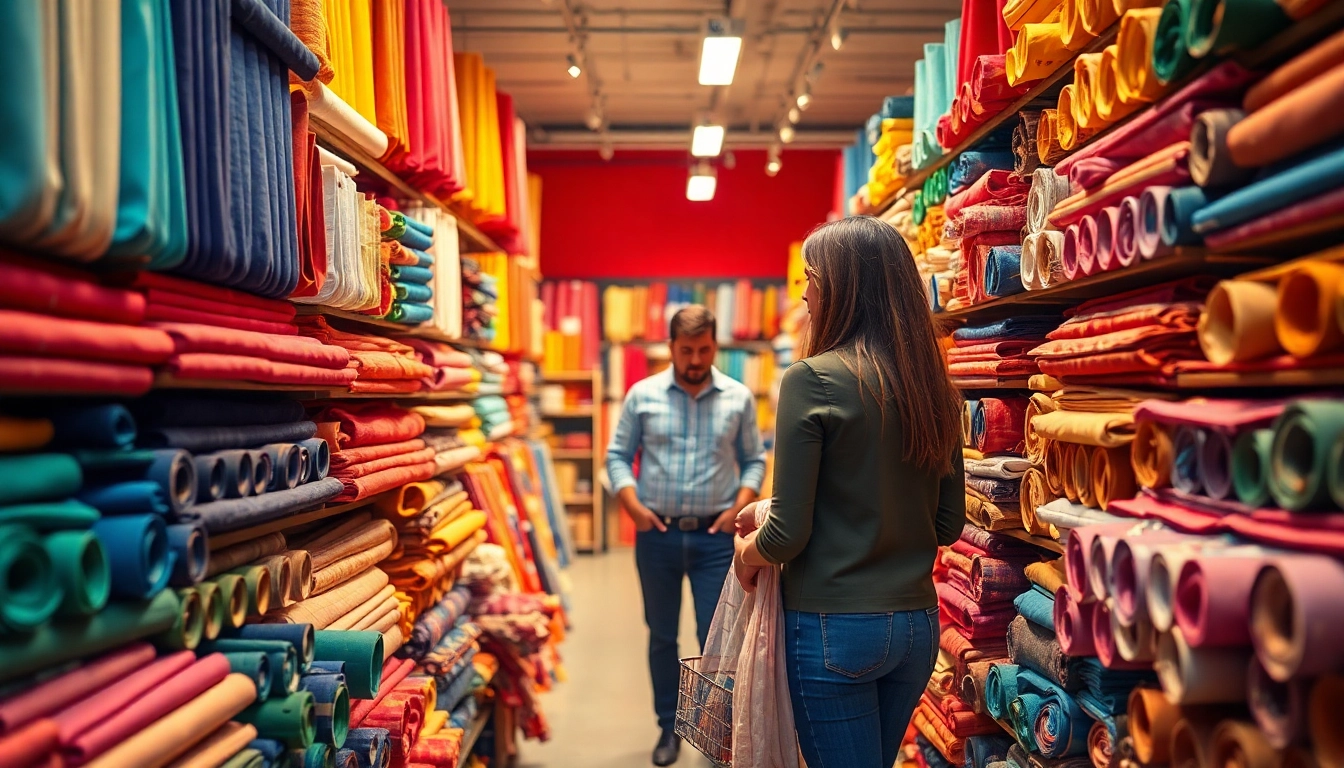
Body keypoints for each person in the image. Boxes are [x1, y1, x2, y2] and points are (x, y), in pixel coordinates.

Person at [733, 216, 967, 768]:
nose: (805, 294)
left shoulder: (810, 379)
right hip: (915, 629)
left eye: (811, 278)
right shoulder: (934, 386)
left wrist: (747, 553)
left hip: (832, 631)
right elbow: (945, 525)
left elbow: (788, 534)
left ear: (842, 286)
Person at [606, 305, 768, 766]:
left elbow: (754, 458)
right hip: (656, 535)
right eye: (686, 350)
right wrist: (631, 505)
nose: (695, 359)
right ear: (671, 348)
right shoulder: (642, 395)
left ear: (715, 346)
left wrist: (741, 502)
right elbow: (617, 456)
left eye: (703, 349)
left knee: (712, 637)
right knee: (661, 635)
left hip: (715, 540)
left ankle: (711, 731)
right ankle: (668, 728)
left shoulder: (737, 397)